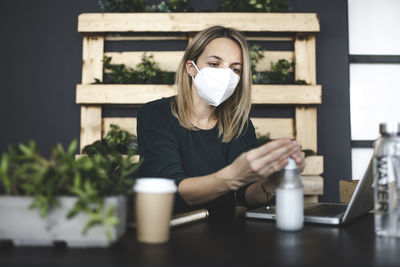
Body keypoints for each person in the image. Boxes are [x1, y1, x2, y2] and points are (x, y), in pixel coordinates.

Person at [137, 26, 305, 219]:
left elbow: (247, 196)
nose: (225, 75)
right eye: (215, 64)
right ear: (191, 67)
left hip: (225, 236)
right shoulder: (155, 114)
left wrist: (275, 181)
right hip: (169, 232)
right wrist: (231, 177)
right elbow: (170, 189)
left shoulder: (240, 125)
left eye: (235, 69)